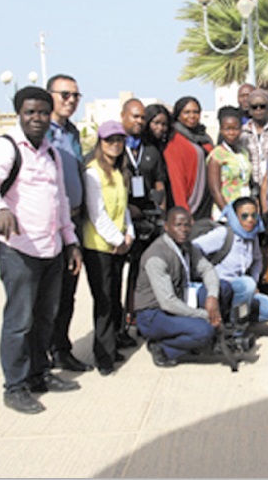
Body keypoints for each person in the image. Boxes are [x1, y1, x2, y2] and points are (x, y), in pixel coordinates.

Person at [0, 86, 82, 414]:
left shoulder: (51, 154)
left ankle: (39, 374)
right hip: (18, 249)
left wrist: (71, 241)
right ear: (19, 114)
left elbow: (60, 200)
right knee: (19, 321)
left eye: (42, 112)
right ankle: (15, 386)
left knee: (44, 317)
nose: (36, 118)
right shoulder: (6, 147)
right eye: (29, 112)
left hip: (51, 249)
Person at [132, 207, 234, 368]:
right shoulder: (157, 257)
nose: (183, 230)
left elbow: (207, 269)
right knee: (204, 331)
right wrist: (205, 315)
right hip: (153, 314)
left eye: (187, 225)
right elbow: (168, 302)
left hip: (180, 299)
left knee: (224, 288)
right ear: (167, 227)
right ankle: (164, 348)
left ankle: (201, 336)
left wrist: (212, 297)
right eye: (178, 225)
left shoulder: (187, 246)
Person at [44, 74, 91, 372]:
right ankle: (41, 357)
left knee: (67, 293)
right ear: (49, 95)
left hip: (73, 222)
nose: (71, 100)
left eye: (75, 95)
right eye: (65, 95)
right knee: (45, 296)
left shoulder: (72, 132)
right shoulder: (39, 132)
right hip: (48, 226)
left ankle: (61, 349)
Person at [81, 120, 135, 375]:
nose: (115, 145)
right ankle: (103, 356)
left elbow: (123, 209)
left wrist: (129, 234)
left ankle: (112, 346)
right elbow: (97, 213)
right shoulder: (93, 172)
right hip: (99, 247)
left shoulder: (119, 171)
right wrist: (117, 239)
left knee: (114, 298)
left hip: (118, 245)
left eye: (119, 140)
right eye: (109, 140)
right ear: (100, 143)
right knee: (103, 302)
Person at [119, 98, 167, 349]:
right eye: (134, 117)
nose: (138, 122)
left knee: (142, 272)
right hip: (122, 222)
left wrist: (161, 210)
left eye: (141, 118)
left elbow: (159, 181)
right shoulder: (115, 146)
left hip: (150, 220)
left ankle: (136, 316)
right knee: (116, 276)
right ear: (123, 116)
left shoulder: (150, 150)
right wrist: (127, 208)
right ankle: (119, 325)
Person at [192, 197, 268, 322]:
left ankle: (232, 318)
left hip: (242, 291)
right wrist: (205, 270)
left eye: (254, 215)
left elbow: (257, 260)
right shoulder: (223, 234)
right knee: (247, 284)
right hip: (221, 290)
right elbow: (193, 247)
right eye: (244, 216)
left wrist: (254, 281)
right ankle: (236, 328)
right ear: (235, 216)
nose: (250, 220)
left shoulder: (253, 236)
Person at [164, 96, 214, 220]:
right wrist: (184, 211)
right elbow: (177, 179)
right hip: (192, 204)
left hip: (208, 202)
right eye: (186, 112)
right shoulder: (175, 140)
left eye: (195, 112)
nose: (192, 116)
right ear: (178, 115)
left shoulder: (203, 136)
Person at [208, 106, 252, 216]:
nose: (232, 133)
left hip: (245, 211)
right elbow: (215, 190)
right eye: (227, 129)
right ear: (221, 130)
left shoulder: (243, 152)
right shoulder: (217, 155)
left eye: (235, 128)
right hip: (226, 212)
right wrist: (229, 214)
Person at [240, 89, 268, 193]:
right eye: (254, 107)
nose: (258, 109)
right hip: (248, 189)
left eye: (262, 106)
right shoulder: (241, 134)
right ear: (249, 110)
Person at [142, 103, 174, 210]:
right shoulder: (141, 147)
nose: (160, 128)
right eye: (156, 123)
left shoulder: (167, 146)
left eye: (164, 124)